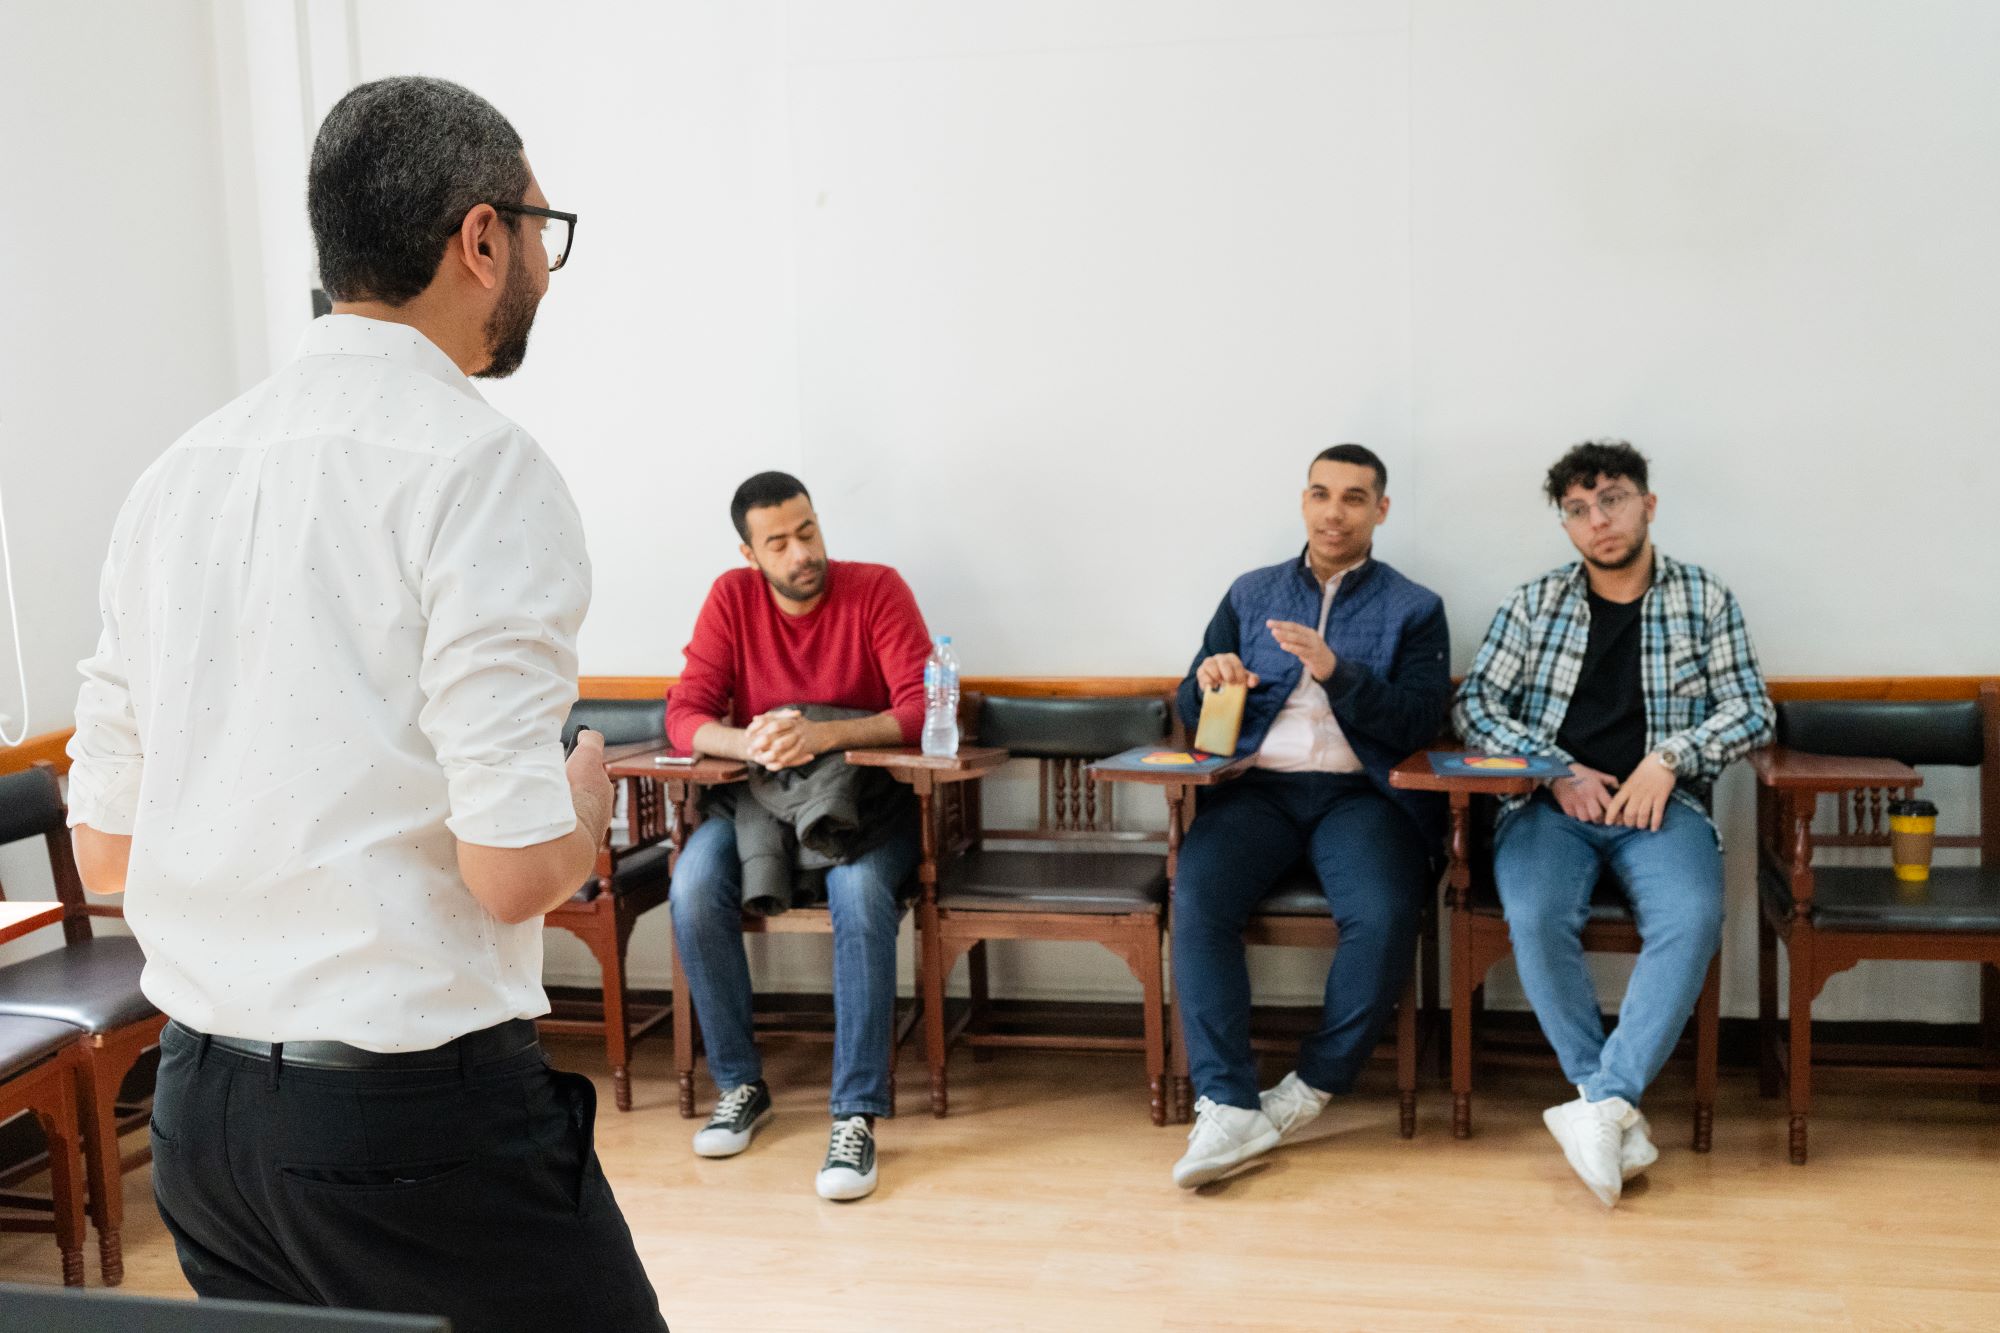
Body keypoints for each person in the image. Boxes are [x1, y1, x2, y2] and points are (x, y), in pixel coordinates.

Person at [65, 77, 666, 1331]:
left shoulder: (177, 477)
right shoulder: (480, 469)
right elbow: (508, 874)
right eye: (540, 234)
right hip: (406, 1125)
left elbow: (107, 848)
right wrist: (581, 806)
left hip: (198, 1123)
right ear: (480, 237)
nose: (544, 271)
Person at [1453, 438, 1774, 1208]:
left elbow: (1752, 707)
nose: (1599, 519)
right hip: (1549, 808)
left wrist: (1670, 756)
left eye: (1614, 499)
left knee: (1695, 913)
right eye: (1578, 509)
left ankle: (1600, 1102)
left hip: (1661, 808)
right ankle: (1608, 1103)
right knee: (1532, 913)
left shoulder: (1703, 596)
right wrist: (1553, 767)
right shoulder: (1535, 603)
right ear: (1565, 524)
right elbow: (1474, 706)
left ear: (1648, 504)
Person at [1169, 444, 1450, 1189]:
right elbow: (1197, 718)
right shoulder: (1250, 591)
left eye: (1355, 498)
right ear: (1303, 501)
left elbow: (1419, 718)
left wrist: (1336, 671)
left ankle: (1307, 1091)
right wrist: (1210, 681)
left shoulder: (1415, 607)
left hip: (1362, 797)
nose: (1335, 511)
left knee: (1387, 912)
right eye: (1322, 494)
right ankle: (1227, 1102)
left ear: (1381, 510)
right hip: (1257, 790)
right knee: (1196, 896)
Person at [666, 471, 932, 1201]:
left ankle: (855, 1114)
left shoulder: (877, 588)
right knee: (690, 887)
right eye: (778, 541)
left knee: (859, 889)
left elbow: (917, 709)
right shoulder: (730, 597)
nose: (800, 552)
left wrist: (822, 733)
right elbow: (684, 715)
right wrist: (751, 743)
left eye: (807, 530)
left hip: (871, 804)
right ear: (750, 553)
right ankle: (740, 1083)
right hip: (759, 801)